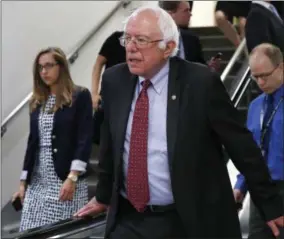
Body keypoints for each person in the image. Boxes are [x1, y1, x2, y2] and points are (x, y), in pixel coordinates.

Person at [75, 6, 284, 239]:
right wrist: (103, 195)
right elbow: (110, 144)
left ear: (169, 48)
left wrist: (269, 203)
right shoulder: (115, 80)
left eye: (141, 40)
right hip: (129, 218)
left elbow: (242, 146)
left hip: (186, 220)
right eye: (128, 38)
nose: (131, 47)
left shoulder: (200, 83)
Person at [12, 47, 93, 231]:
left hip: (65, 179)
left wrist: (73, 177)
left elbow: (84, 139)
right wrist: (23, 182)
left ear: (61, 66)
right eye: (40, 68)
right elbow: (33, 143)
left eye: (48, 66)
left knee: (61, 232)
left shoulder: (79, 96)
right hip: (38, 181)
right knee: (29, 231)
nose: (44, 72)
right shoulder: (37, 100)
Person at [234, 43, 284, 239]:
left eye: (265, 75)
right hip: (260, 191)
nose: (260, 82)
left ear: (281, 67)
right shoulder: (256, 106)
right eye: (255, 77)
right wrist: (240, 185)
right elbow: (252, 151)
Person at [158, 1, 220, 71]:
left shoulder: (192, 39)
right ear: (170, 14)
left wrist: (209, 68)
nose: (190, 14)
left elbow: (198, 66)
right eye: (186, 11)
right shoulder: (155, 40)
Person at [91, 31, 126, 110]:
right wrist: (94, 93)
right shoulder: (116, 38)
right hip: (107, 95)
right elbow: (98, 64)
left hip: (127, 97)